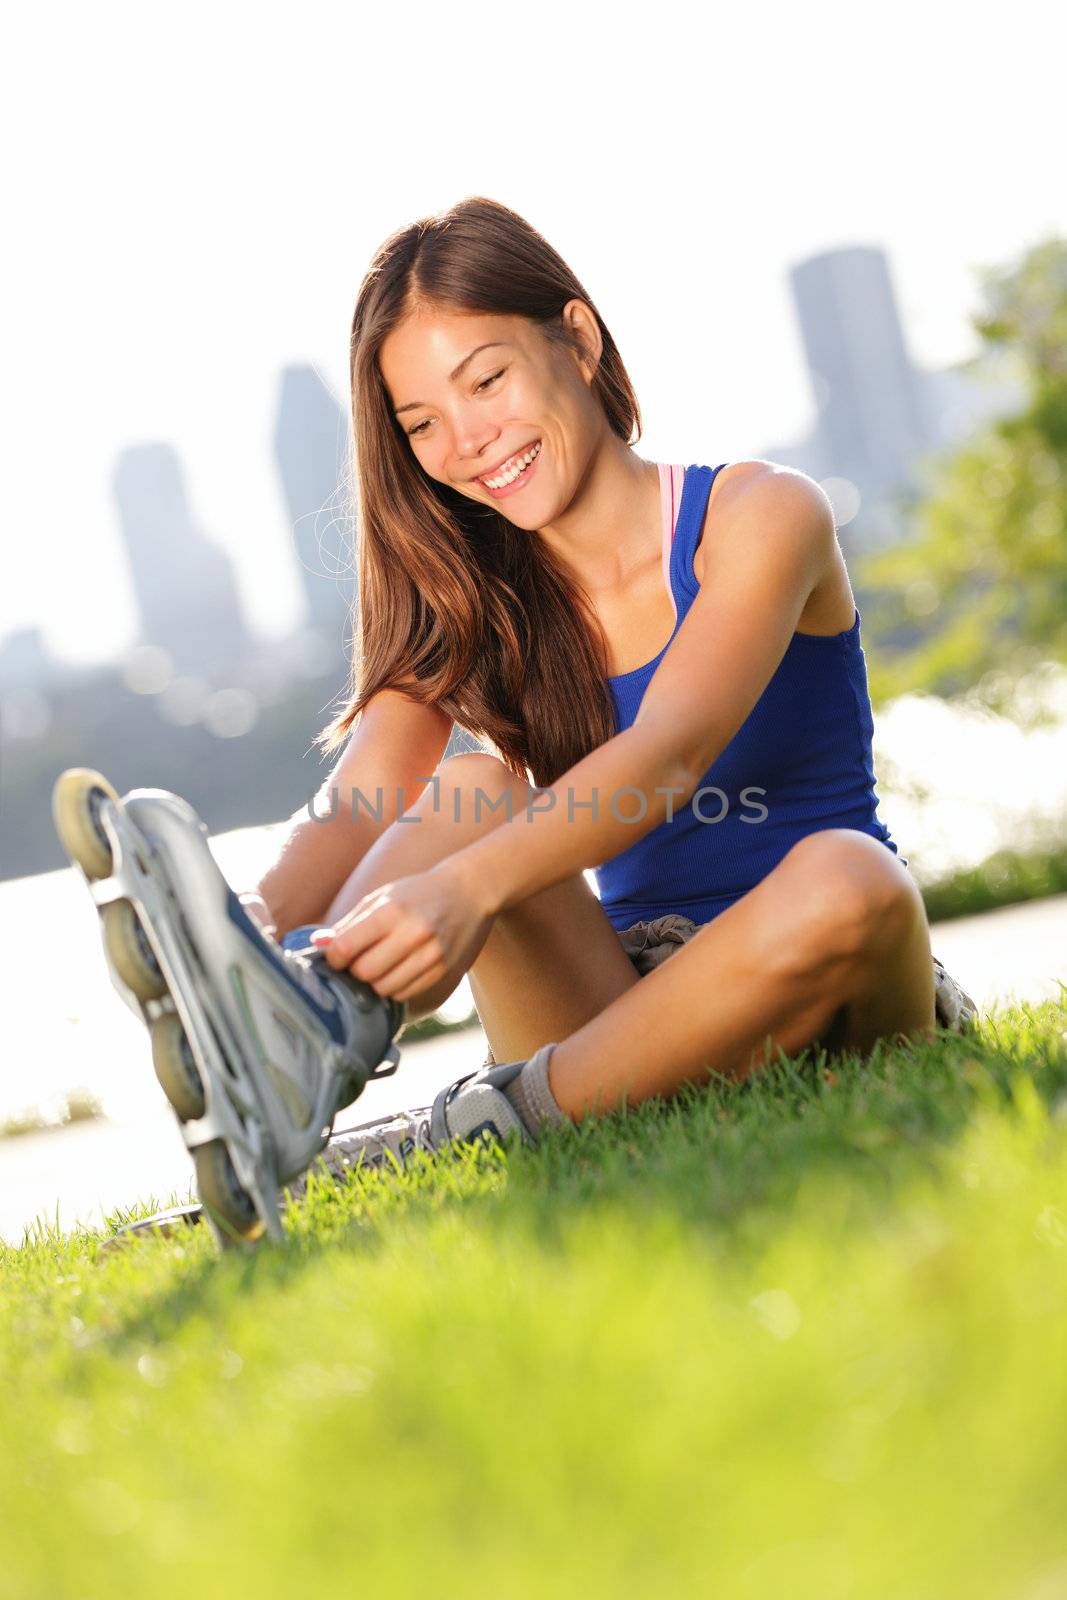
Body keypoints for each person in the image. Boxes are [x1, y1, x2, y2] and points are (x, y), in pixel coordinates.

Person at [57, 194, 977, 1240]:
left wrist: (462, 890)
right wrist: (251, 940)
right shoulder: (477, 591)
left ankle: (467, 1126)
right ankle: (300, 1032)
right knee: (475, 785)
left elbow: (665, 755)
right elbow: (363, 797)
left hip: (833, 970)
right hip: (618, 1013)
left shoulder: (760, 515)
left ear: (575, 340)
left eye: (484, 379)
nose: (466, 442)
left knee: (850, 875)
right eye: (420, 425)